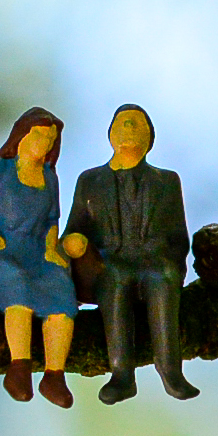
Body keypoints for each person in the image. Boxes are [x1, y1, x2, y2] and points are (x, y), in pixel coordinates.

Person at [66, 103, 197, 404]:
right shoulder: (90, 181)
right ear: (110, 133)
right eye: (123, 123)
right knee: (115, 279)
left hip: (154, 260)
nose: (128, 129)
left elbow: (179, 235)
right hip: (109, 261)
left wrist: (175, 266)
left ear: (151, 138)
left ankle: (170, 371)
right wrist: (74, 244)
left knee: (162, 277)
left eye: (137, 124)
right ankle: (122, 375)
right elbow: (75, 228)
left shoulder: (167, 181)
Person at [0, 107, 78, 407]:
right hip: (2, 256)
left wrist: (52, 249)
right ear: (22, 135)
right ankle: (19, 368)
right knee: (18, 289)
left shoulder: (50, 179)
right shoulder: (1, 172)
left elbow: (52, 221)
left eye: (51, 139)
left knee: (63, 293)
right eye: (39, 134)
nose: (45, 143)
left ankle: (54, 376)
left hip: (38, 257)